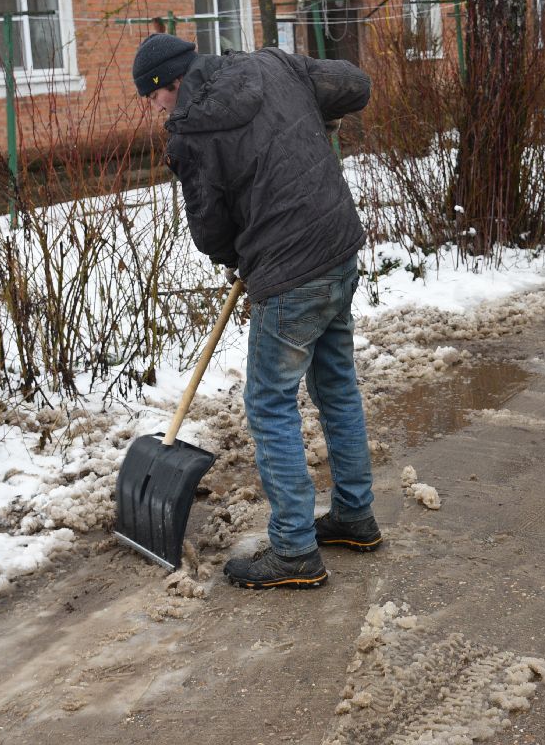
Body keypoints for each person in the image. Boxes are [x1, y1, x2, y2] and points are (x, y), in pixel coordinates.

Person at [133, 32, 378, 590]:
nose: (156, 109)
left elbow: (210, 231)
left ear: (171, 84)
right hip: (339, 246)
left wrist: (237, 255)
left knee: (269, 402)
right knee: (336, 385)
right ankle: (355, 515)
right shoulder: (272, 65)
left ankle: (294, 549)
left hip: (291, 271)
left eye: (154, 97)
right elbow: (355, 85)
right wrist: (317, 105)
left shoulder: (190, 132)